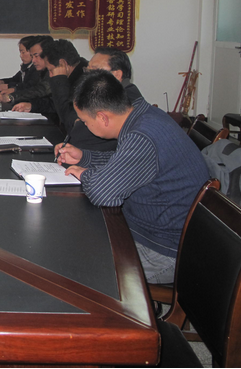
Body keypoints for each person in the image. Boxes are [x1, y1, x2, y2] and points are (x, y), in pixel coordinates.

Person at [56, 70, 210, 284]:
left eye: (85, 121)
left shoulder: (142, 135)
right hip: (153, 230)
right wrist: (84, 157)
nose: (85, 126)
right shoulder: (144, 115)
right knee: (76, 237)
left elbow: (103, 193)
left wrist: (85, 173)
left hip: (164, 251)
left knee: (74, 261)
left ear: (102, 117)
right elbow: (126, 162)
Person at [0, 35, 54, 109]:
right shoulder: (41, 70)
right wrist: (31, 106)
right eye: (32, 56)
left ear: (48, 54)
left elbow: (40, 90)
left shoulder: (55, 71)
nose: (33, 60)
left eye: (36, 56)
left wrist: (11, 96)